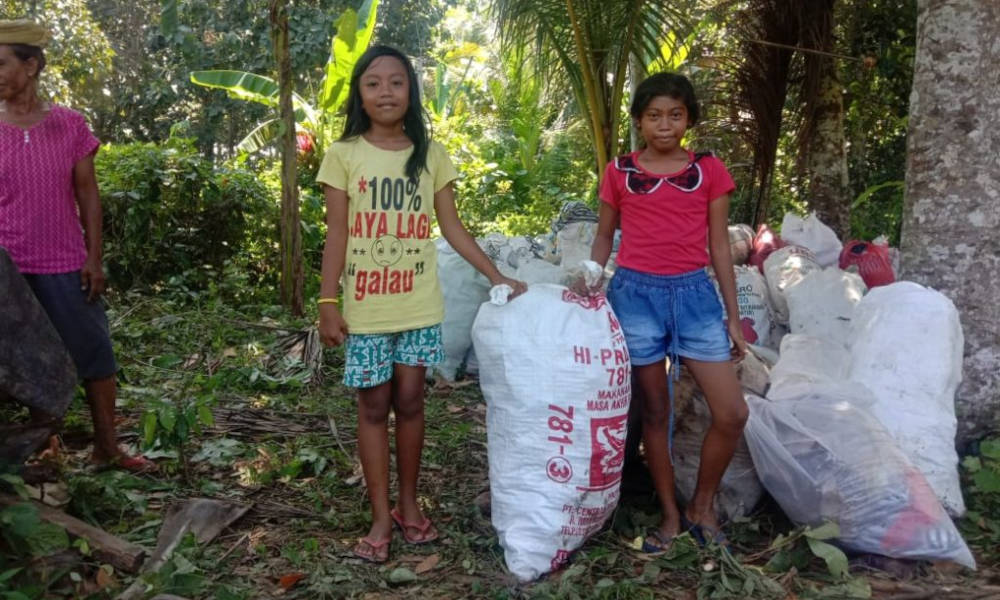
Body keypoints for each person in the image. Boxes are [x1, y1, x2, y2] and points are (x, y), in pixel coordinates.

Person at [315, 45, 526, 563]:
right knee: (372, 407)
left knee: (410, 401)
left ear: (411, 91)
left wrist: (497, 274)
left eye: (396, 82)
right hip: (365, 309)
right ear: (359, 95)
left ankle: (410, 506)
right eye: (373, 83)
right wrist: (327, 300)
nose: (385, 92)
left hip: (417, 306)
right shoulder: (343, 155)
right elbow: (337, 232)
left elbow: (451, 227)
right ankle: (381, 517)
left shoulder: (430, 155)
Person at [585, 72, 748, 551]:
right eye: (654, 115)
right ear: (639, 122)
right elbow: (603, 235)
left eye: (675, 114)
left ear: (689, 119)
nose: (664, 124)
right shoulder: (619, 172)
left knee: (732, 412)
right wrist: (591, 278)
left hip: (696, 299)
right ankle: (671, 515)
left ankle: (703, 503)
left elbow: (719, 245)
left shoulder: (708, 169)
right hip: (634, 298)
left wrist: (733, 316)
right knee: (654, 412)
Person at [0, 20, 153, 472]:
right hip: (8, 269)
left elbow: (88, 194)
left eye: (2, 63)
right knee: (26, 360)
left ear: (31, 66)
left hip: (64, 262)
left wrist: (93, 257)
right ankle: (43, 449)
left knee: (94, 354)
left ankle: (107, 446)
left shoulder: (69, 126)